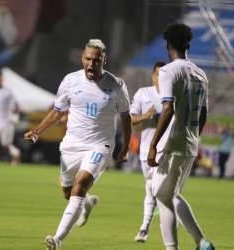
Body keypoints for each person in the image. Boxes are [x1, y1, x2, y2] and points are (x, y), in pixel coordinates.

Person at [24, 39, 131, 250]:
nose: (91, 64)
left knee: (81, 182)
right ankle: (87, 202)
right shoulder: (70, 81)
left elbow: (126, 117)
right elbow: (58, 111)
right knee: (68, 191)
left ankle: (57, 240)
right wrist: (37, 132)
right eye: (88, 59)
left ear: (104, 60)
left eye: (96, 60)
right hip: (71, 145)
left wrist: (125, 147)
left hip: (100, 146)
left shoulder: (116, 85)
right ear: (82, 59)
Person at [147, 23, 215, 250]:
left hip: (172, 142)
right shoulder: (200, 74)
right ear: (187, 45)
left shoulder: (168, 71)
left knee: (161, 196)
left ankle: (174, 247)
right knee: (171, 194)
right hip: (190, 142)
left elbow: (168, 108)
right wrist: (194, 138)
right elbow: (203, 114)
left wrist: (153, 144)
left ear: (168, 46)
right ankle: (201, 243)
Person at [131, 61, 174, 242]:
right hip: (145, 151)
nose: (160, 79)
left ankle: (144, 228)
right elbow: (131, 120)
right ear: (153, 76)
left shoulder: (173, 98)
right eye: (158, 75)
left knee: (151, 189)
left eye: (164, 76)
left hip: (165, 150)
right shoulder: (143, 93)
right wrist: (145, 116)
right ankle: (166, 213)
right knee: (153, 189)